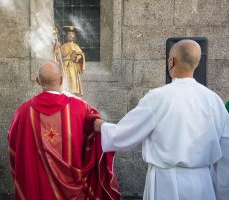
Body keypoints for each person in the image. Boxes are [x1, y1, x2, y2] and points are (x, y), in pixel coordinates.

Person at [94, 39, 229, 200]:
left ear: (171, 61)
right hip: (203, 183)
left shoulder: (158, 97)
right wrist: (221, 192)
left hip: (167, 183)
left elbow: (125, 134)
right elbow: (225, 150)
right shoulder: (214, 101)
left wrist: (102, 126)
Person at [7, 61, 120, 200]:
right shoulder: (81, 108)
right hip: (72, 186)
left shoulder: (22, 113)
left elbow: (14, 145)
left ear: (37, 81)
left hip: (35, 187)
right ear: (61, 80)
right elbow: (96, 130)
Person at [54, 26, 85, 96]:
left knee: (73, 83)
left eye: (72, 34)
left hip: (73, 67)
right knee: (65, 83)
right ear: (66, 36)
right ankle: (65, 93)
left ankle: (73, 94)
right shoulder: (63, 46)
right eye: (69, 34)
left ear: (74, 36)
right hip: (64, 67)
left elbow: (81, 54)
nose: (70, 35)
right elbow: (58, 58)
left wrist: (78, 58)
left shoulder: (76, 46)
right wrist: (56, 48)